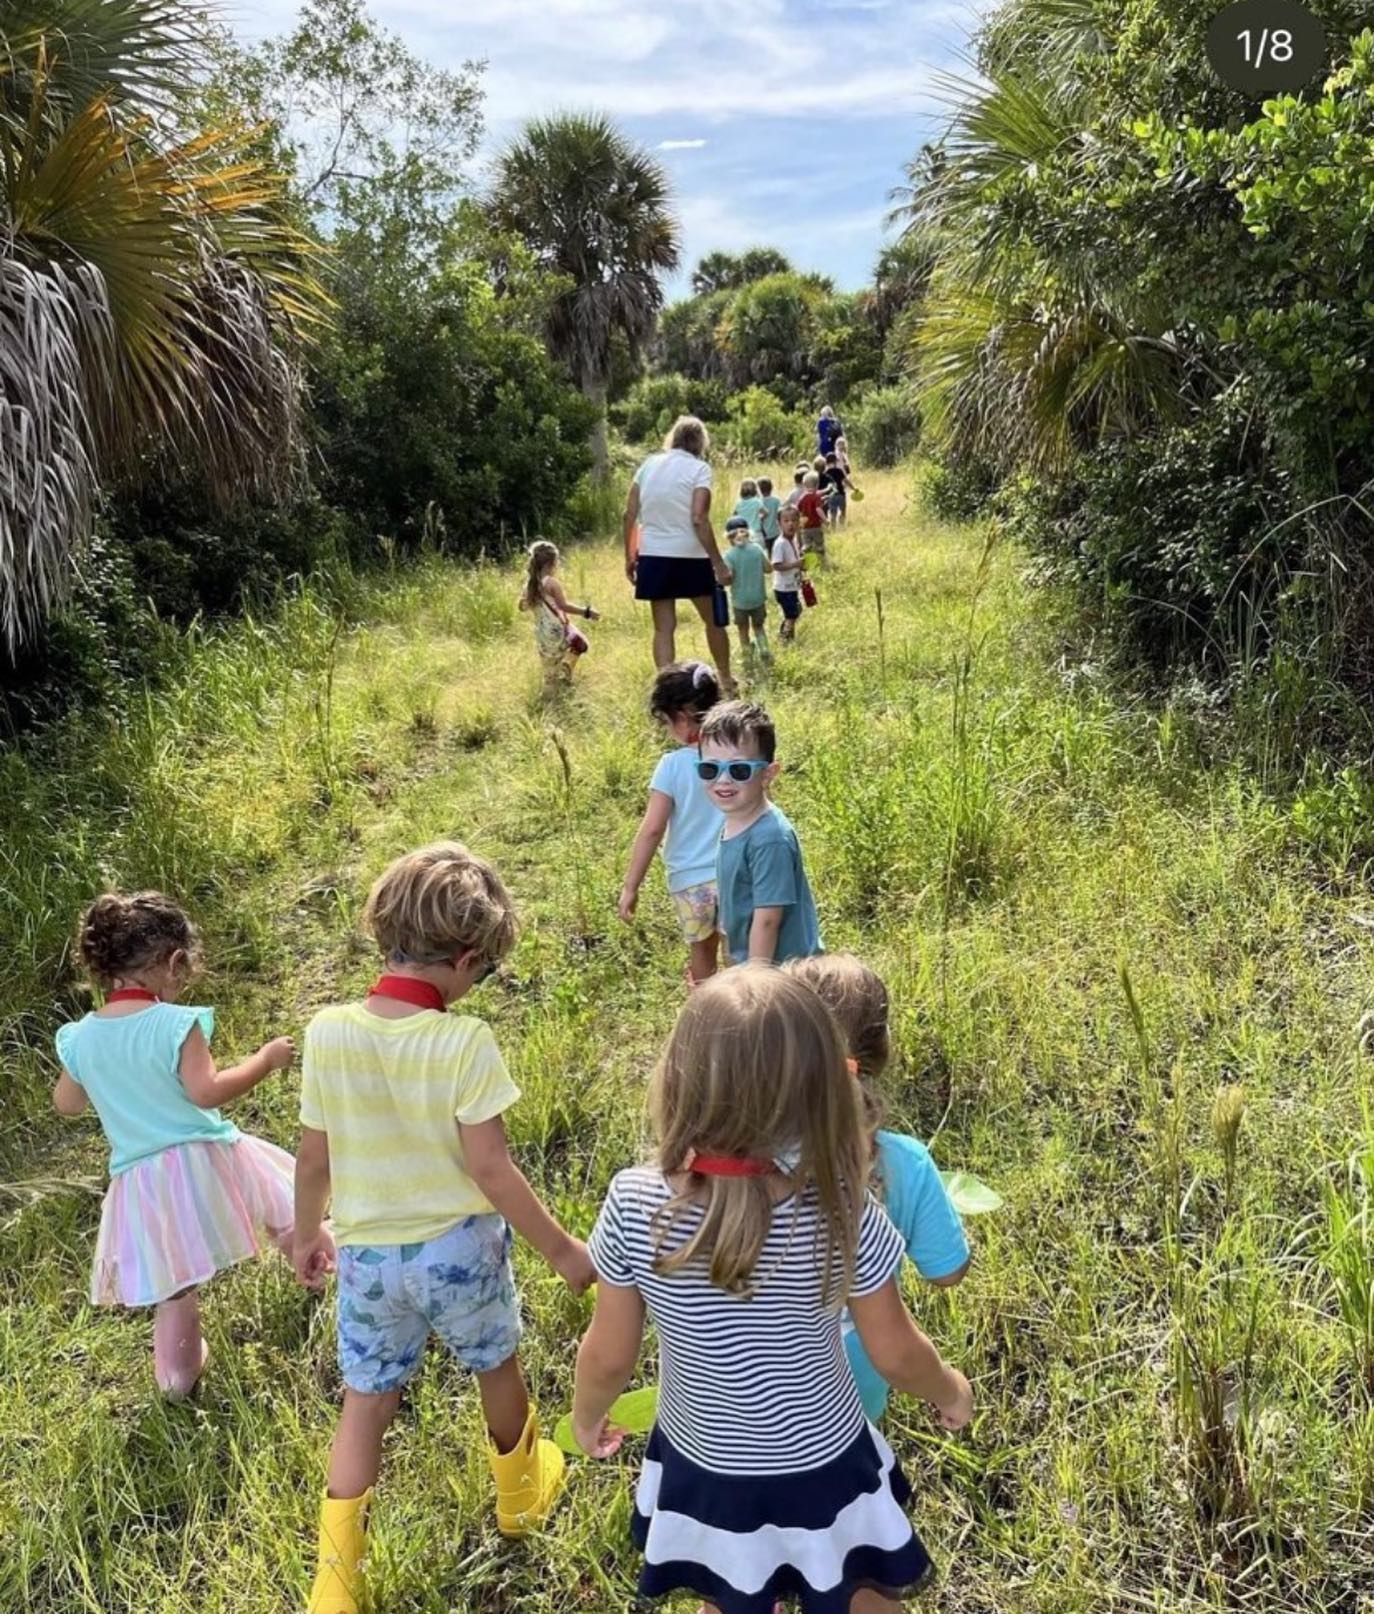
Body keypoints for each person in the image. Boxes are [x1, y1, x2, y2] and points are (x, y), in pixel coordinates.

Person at [572, 967, 974, 1614]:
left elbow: (609, 1353)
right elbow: (895, 1349)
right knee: (860, 1591)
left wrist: (587, 1415)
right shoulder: (842, 1207)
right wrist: (949, 1388)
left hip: (704, 1463)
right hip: (826, 1461)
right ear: (822, 1088)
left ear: (678, 1078)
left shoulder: (634, 1201)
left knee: (728, 1591)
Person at [295, 843, 594, 1613]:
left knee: (366, 1397)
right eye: (484, 972)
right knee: (496, 1366)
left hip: (366, 1256)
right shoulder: (463, 1043)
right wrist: (562, 1249)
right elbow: (491, 1169)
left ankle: (335, 1581)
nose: (478, 986)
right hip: (457, 1250)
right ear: (463, 959)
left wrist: (305, 1234)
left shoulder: (327, 1031)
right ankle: (521, 1498)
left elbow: (314, 1153)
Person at [52, 892, 304, 1401]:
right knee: (283, 1204)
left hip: (141, 1180)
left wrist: (98, 1073)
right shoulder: (175, 1023)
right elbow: (206, 1091)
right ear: (173, 963)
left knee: (176, 1287)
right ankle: (322, 1271)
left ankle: (175, 1380)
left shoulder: (80, 1038)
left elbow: (67, 1104)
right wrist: (265, 1059)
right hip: (203, 1157)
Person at [785, 954, 971, 1422]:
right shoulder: (903, 1163)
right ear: (880, 1053)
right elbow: (947, 1271)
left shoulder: (742, 1155)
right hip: (857, 1371)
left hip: (743, 1374)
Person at [619, 662, 727, 986]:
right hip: (736, 871)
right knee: (738, 952)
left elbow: (652, 829)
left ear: (682, 717)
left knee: (702, 953)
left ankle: (705, 1016)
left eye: (667, 722)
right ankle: (745, 1010)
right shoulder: (736, 755)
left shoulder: (671, 766)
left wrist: (631, 886)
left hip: (690, 882)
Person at [699, 700, 822, 966]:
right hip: (754, 963)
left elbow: (768, 920)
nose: (722, 780)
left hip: (782, 974)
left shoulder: (769, 838)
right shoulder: (736, 818)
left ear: (768, 774)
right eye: (710, 768)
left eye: (739, 770)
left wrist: (754, 981)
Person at [623, 415, 734, 686]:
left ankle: (667, 691)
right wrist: (718, 563)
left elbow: (629, 513)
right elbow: (699, 518)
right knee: (713, 621)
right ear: (700, 442)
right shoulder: (699, 469)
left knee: (663, 628)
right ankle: (725, 678)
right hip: (690, 555)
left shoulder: (648, 465)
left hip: (653, 555)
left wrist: (629, 554)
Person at [518, 540, 598, 694]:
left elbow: (522, 607)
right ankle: (566, 670)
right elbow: (564, 606)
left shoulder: (530, 584)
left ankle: (550, 699)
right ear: (552, 563)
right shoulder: (552, 583)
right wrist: (587, 612)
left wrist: (528, 600)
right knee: (579, 643)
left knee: (549, 671)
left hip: (542, 632)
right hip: (558, 629)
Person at [720, 514, 772, 672]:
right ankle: (764, 650)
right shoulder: (756, 549)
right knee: (759, 626)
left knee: (743, 630)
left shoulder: (729, 555)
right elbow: (768, 569)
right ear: (748, 533)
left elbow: (728, 579)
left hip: (740, 602)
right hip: (758, 599)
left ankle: (747, 657)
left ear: (729, 537)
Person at [772, 506, 804, 643]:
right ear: (779, 523)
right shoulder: (780, 544)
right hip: (783, 588)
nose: (790, 524)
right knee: (791, 614)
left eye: (794, 520)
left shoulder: (794, 540)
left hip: (793, 585)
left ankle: (787, 635)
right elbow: (776, 565)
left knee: (795, 611)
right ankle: (784, 639)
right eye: (786, 521)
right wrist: (795, 564)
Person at [797, 471, 829, 569]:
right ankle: (821, 561)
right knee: (819, 544)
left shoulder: (802, 497)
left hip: (805, 527)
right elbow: (818, 509)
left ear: (804, 485)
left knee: (807, 545)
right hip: (815, 526)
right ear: (817, 485)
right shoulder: (816, 496)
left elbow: (798, 510)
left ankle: (808, 562)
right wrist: (825, 520)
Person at [824, 452, 850, 529]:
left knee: (833, 513)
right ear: (835, 461)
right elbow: (846, 481)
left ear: (826, 462)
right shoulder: (839, 471)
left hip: (831, 496)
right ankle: (842, 526)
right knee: (842, 512)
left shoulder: (826, 472)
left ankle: (833, 528)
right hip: (841, 494)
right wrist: (854, 488)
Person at [757, 476, 783, 544]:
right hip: (776, 531)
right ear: (771, 488)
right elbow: (781, 513)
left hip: (764, 533)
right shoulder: (776, 500)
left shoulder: (758, 502)